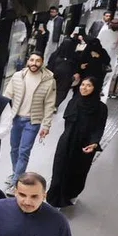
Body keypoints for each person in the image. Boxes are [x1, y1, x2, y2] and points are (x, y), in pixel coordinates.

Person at [47, 78, 108, 208]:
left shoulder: (101, 108)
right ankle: (54, 197)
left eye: (88, 86)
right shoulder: (73, 102)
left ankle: (71, 194)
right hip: (67, 141)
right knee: (59, 168)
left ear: (95, 88)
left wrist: (94, 143)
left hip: (85, 145)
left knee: (78, 171)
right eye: (82, 85)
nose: (84, 88)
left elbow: (99, 128)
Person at [2, 53, 57, 192]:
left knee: (24, 151)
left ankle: (16, 184)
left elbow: (50, 104)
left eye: (38, 61)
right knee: (14, 149)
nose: (34, 63)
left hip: (33, 122)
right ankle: (17, 173)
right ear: (28, 61)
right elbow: (7, 96)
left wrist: (46, 125)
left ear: (42, 63)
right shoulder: (18, 76)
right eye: (32, 60)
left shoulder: (49, 80)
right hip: (16, 118)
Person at [97, 18, 118, 95]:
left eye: (116, 24)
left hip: (112, 58)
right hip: (100, 56)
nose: (114, 25)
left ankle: (100, 89)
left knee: (107, 74)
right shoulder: (104, 32)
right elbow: (97, 42)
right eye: (113, 24)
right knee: (98, 72)